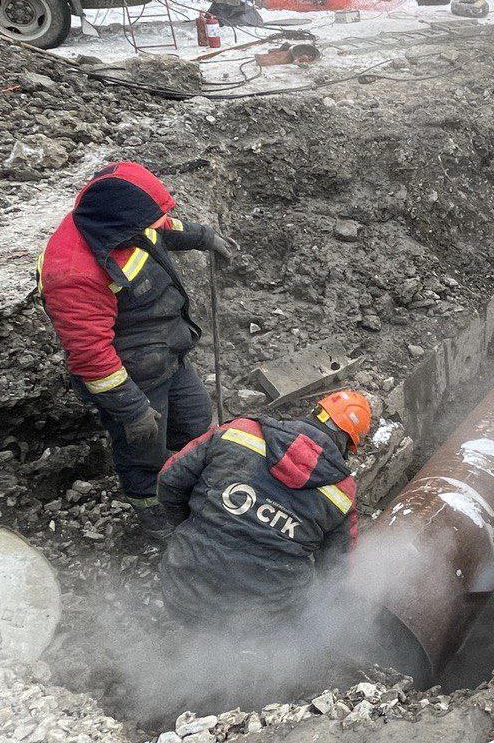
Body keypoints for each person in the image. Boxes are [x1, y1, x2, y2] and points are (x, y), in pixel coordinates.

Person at [37, 161, 236, 540]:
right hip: (130, 378)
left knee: (194, 422)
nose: (157, 223)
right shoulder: (73, 271)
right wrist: (131, 409)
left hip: (167, 353)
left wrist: (202, 235)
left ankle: (184, 484)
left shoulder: (117, 217)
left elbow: (161, 228)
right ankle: (153, 510)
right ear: (122, 223)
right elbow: (91, 356)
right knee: (142, 451)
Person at [156, 391, 369, 628]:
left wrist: (193, 528)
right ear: (349, 445)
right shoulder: (341, 493)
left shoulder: (240, 431)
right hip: (261, 621)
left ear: (315, 411)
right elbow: (336, 569)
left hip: (182, 589)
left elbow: (169, 480)